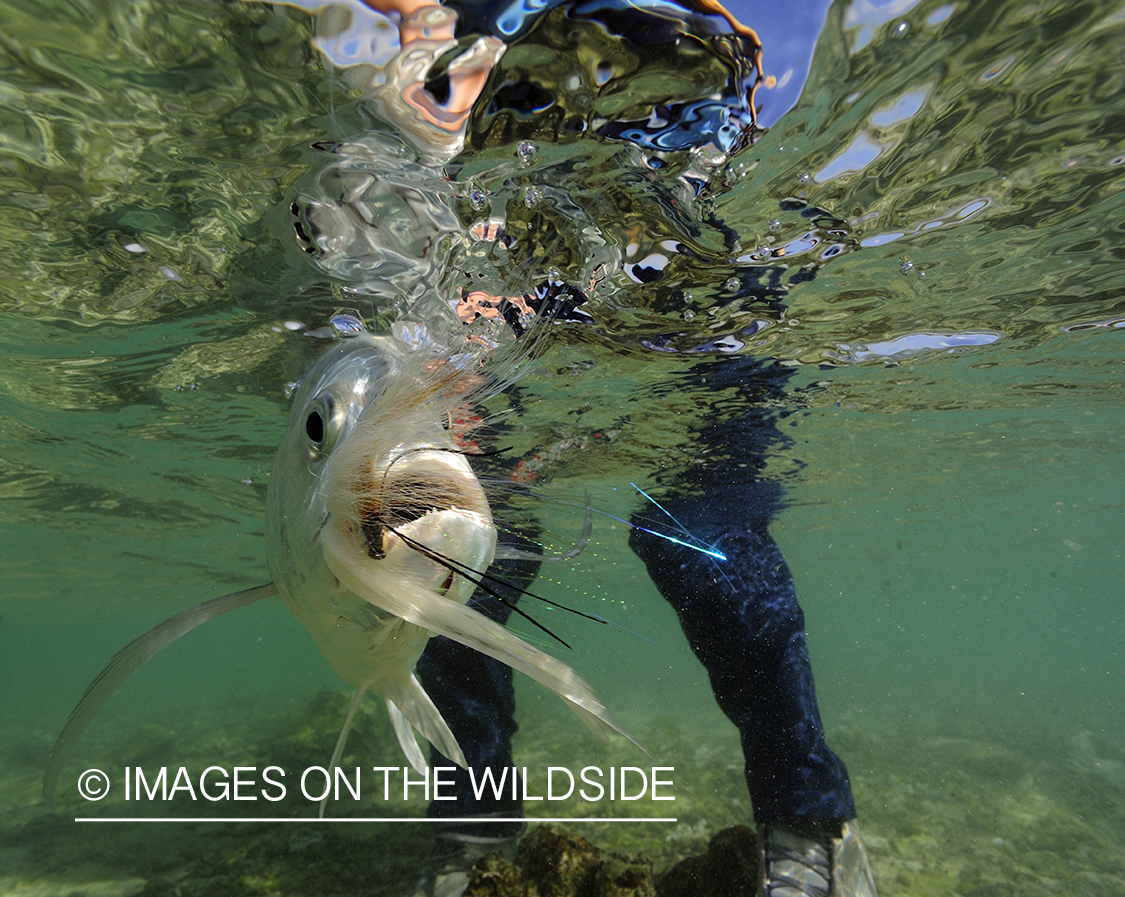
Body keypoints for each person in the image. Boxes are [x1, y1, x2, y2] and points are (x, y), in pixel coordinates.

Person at [289, 0, 877, 894]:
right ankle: (472, 830)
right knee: (445, 561)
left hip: (690, 327)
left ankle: (807, 822)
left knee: (703, 548)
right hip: (505, 349)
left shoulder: (670, 90)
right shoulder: (446, 85)